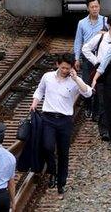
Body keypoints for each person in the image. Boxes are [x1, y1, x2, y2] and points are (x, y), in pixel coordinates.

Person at [31, 53, 92, 195]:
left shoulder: (74, 81)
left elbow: (88, 93)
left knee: (64, 152)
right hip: (48, 118)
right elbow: (40, 90)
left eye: (68, 68)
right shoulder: (47, 77)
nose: (65, 70)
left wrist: (76, 78)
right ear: (58, 65)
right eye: (63, 67)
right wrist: (35, 103)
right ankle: (52, 171)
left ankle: (61, 182)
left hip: (65, 120)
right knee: (47, 146)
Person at [82, 14, 111, 138]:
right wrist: (96, 61)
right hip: (102, 72)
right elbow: (86, 48)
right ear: (109, 25)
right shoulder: (101, 37)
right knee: (103, 101)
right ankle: (104, 130)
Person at [73, 0, 106, 118]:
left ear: (100, 7)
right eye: (92, 7)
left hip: (100, 57)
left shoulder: (105, 21)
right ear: (88, 8)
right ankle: (88, 106)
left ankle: (97, 110)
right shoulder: (82, 23)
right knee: (86, 82)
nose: (94, 9)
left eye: (96, 6)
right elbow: (78, 41)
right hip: (87, 57)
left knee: (98, 83)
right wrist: (77, 57)